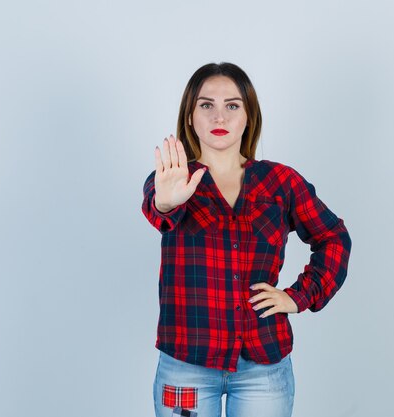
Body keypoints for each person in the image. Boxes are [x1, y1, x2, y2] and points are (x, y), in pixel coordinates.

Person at [142, 62, 351, 417]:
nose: (218, 117)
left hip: (263, 366)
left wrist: (298, 297)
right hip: (186, 366)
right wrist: (165, 202)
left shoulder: (281, 182)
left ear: (248, 116)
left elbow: (333, 237)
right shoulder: (171, 179)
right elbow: (158, 209)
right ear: (190, 116)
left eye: (232, 105)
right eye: (206, 105)